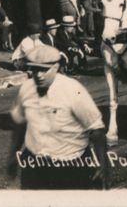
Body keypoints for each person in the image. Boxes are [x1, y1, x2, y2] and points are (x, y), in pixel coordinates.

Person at [6, 45, 109, 189]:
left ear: (56, 67)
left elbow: (96, 130)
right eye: (35, 70)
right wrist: (12, 156)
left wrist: (103, 166)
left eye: (44, 70)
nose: (39, 75)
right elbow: (20, 124)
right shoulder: (26, 89)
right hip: (34, 165)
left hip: (70, 167)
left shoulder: (73, 90)